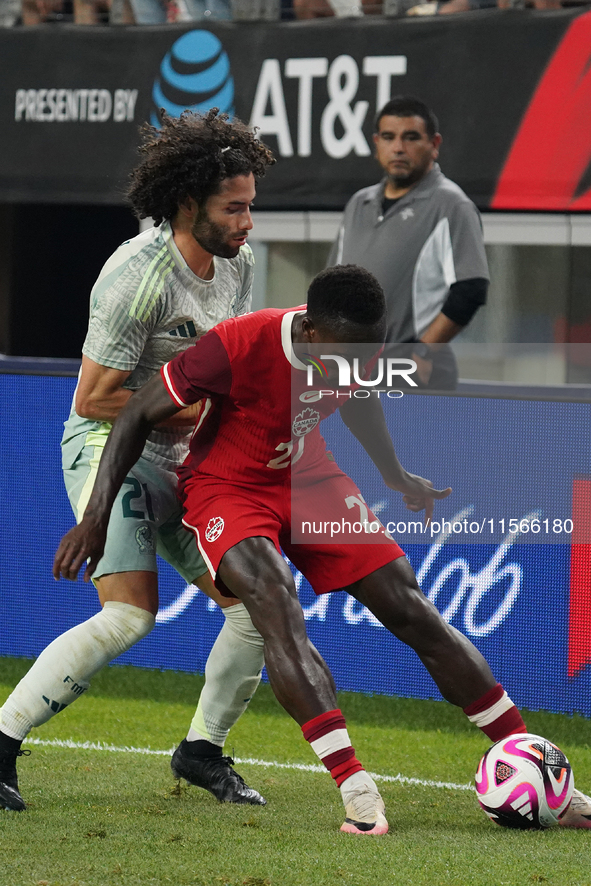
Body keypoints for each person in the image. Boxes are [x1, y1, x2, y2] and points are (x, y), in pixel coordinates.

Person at [52, 264, 591, 834]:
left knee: (411, 608)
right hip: (227, 488)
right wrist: (95, 516)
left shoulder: (358, 345)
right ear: (310, 331)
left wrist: (396, 474)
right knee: (277, 606)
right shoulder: (236, 345)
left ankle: (543, 775)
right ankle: (356, 789)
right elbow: (136, 411)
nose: (360, 367)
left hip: (310, 478)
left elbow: (359, 401)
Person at [0, 108, 276, 813]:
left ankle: (201, 752)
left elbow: (214, 373)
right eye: (233, 208)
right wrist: (216, 414)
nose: (247, 222)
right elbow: (95, 399)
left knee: (255, 607)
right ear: (188, 203)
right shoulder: (136, 275)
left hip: (182, 459)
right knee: (128, 618)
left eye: (250, 205)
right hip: (106, 447)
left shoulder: (235, 265)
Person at [328, 96, 489, 390]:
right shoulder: (358, 203)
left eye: (411, 137)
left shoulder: (451, 204)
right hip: (352, 370)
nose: (398, 148)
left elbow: (471, 287)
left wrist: (422, 352)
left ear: (434, 144)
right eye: (389, 137)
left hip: (413, 373)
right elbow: (331, 287)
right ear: (376, 143)